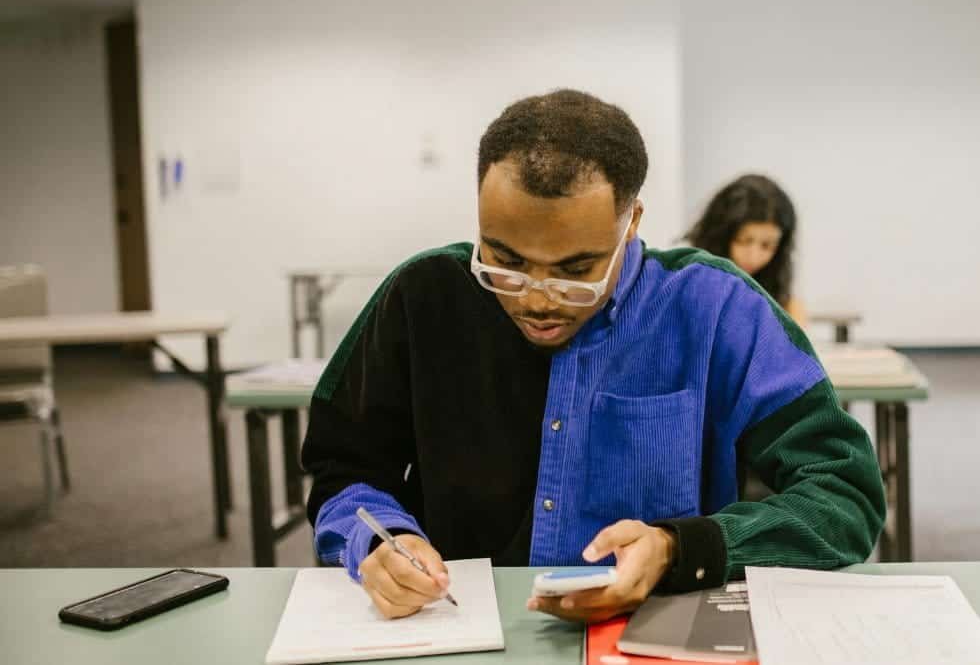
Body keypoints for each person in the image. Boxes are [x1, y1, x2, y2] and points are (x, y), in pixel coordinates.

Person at [301, 89, 885, 624]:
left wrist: (684, 549)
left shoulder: (716, 307)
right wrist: (382, 542)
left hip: (658, 635)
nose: (534, 297)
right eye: (503, 260)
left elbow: (844, 494)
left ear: (632, 222)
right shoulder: (421, 296)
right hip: (458, 633)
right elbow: (344, 470)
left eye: (576, 271)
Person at [684, 175, 806, 324]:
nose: (753, 257)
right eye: (743, 241)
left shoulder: (788, 308)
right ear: (721, 236)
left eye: (767, 245)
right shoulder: (687, 286)